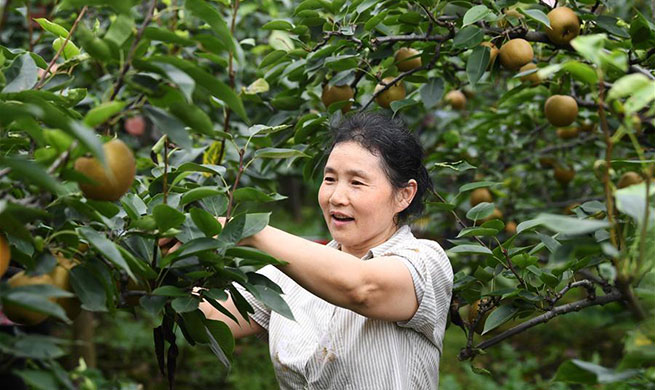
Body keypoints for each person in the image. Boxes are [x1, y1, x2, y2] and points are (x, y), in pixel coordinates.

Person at [199, 112, 453, 389]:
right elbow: (211, 317)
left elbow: (362, 288)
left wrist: (250, 231)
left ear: (404, 195)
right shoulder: (289, 273)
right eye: (330, 179)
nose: (336, 197)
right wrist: (171, 247)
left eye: (357, 182)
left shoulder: (426, 262)